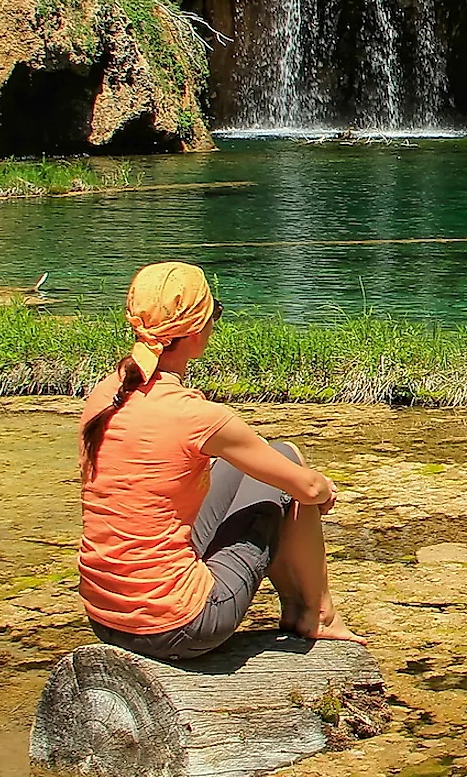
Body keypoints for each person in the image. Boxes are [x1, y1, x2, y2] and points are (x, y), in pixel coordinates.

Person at [77, 261, 359, 659]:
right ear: (195, 334)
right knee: (288, 465)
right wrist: (323, 489)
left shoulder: (105, 395)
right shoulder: (196, 415)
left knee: (274, 460)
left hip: (105, 617)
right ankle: (317, 614)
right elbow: (309, 488)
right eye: (215, 314)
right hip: (182, 625)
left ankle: (309, 611)